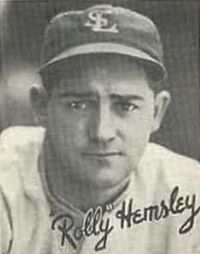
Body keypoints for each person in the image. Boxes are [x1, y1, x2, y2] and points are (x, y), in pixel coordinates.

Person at [0, 4, 200, 254]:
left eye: (125, 106)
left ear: (157, 112)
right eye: (78, 104)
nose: (102, 132)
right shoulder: (5, 182)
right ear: (41, 107)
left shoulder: (191, 192)